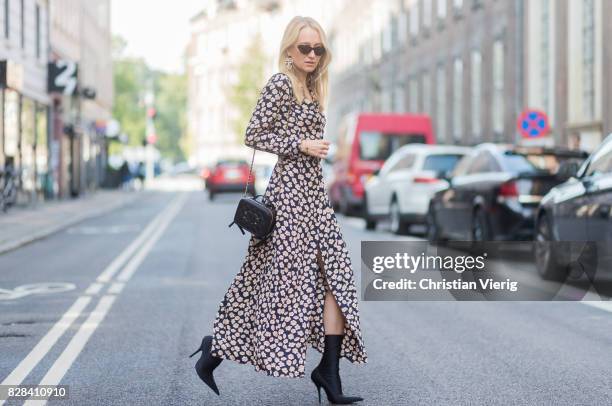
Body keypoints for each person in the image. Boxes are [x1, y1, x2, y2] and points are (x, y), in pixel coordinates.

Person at [189, 16, 367, 404]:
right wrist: (301, 145)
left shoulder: (313, 87)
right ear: (289, 49)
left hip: (314, 200)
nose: (311, 54)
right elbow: (253, 133)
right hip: (288, 200)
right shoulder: (281, 83)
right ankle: (214, 349)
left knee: (336, 277)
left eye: (318, 49)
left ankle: (328, 372)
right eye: (304, 48)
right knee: (274, 287)